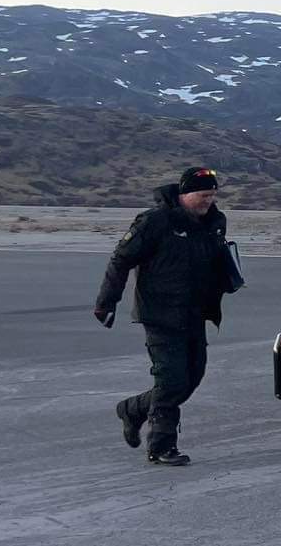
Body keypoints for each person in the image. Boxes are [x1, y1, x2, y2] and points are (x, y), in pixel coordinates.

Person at [94, 166, 235, 467]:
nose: (208, 201)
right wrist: (106, 302)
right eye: (202, 195)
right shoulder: (155, 221)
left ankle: (133, 409)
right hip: (161, 314)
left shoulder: (214, 222)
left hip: (195, 313)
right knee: (171, 380)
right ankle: (161, 446)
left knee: (191, 379)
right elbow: (121, 260)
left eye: (212, 195)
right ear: (184, 194)